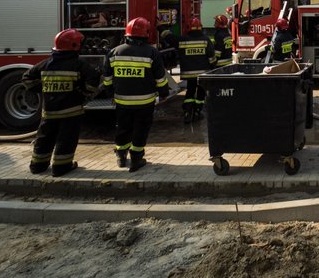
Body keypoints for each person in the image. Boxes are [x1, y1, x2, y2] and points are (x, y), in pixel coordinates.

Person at [22, 29, 100, 177]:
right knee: (66, 139)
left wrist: (44, 88)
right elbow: (92, 82)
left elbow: (27, 79)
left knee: (44, 138)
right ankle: (61, 167)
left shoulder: (45, 64)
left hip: (49, 112)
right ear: (75, 45)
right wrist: (82, 93)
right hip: (71, 112)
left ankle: (37, 165)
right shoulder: (79, 64)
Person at [102, 17, 170, 172]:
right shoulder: (152, 53)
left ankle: (120, 155)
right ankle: (136, 159)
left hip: (121, 102)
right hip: (144, 103)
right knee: (141, 129)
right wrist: (164, 93)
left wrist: (110, 93)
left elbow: (107, 78)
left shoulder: (113, 52)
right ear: (145, 34)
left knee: (123, 128)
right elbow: (160, 78)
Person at [177, 17, 215, 123]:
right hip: (203, 73)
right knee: (201, 93)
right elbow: (211, 57)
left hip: (189, 74)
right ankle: (198, 111)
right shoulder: (206, 39)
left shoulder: (182, 40)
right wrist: (212, 67)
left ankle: (187, 112)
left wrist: (161, 28)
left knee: (190, 91)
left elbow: (170, 38)